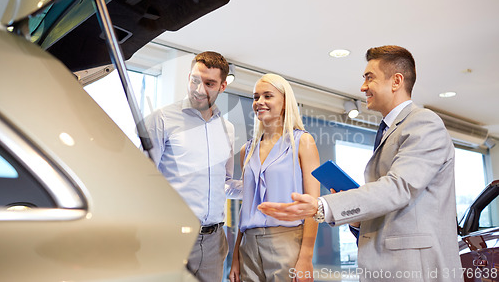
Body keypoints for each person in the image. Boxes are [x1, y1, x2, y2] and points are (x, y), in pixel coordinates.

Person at [258, 46, 464, 282]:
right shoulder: (388, 130)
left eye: (369, 77)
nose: (362, 86)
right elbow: (391, 203)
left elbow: (399, 188)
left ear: (396, 81)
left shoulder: (424, 122)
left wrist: (323, 206)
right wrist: (358, 221)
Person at [144, 51, 242, 282]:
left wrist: (258, 187)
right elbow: (143, 180)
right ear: (189, 77)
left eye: (209, 83)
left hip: (215, 242)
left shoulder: (227, 129)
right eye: (195, 80)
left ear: (223, 86)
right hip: (172, 236)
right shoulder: (161, 119)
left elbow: (224, 183)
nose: (199, 89)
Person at [229, 73, 320, 282]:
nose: (260, 102)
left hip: (287, 241)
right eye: (256, 97)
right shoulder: (247, 149)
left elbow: (313, 206)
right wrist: (236, 256)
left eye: (268, 96)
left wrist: (306, 257)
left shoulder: (303, 142)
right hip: (248, 245)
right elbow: (247, 206)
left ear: (285, 101)